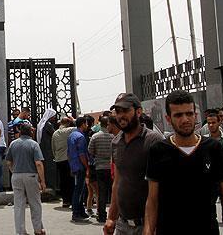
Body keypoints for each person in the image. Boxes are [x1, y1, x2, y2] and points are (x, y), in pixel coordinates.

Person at [143, 90, 223, 235]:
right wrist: (148, 231)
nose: (185, 119)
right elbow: (152, 200)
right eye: (178, 115)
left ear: (195, 115)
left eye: (189, 114)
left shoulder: (213, 148)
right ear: (168, 118)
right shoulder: (158, 150)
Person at [104, 93, 165, 235]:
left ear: (138, 112)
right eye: (118, 111)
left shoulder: (153, 141)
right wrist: (111, 217)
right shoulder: (116, 142)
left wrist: (150, 227)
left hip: (147, 225)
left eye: (125, 111)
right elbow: (117, 182)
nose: (121, 116)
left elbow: (161, 187)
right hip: (123, 224)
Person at [6, 122, 46, 235]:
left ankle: (20, 231)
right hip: (31, 175)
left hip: (16, 176)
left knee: (19, 205)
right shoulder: (34, 144)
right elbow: (38, 164)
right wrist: (42, 181)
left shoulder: (13, 144)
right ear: (31, 132)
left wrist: (14, 171)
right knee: (35, 203)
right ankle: (38, 229)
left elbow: (8, 162)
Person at [88, 116, 115, 222]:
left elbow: (90, 151)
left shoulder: (95, 137)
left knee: (101, 192)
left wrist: (98, 154)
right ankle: (114, 214)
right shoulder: (113, 137)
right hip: (111, 167)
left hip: (99, 167)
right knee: (113, 191)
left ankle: (102, 215)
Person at [67, 116, 90, 222]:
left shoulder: (72, 135)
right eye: (86, 123)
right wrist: (87, 166)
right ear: (83, 124)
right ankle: (76, 213)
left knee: (79, 189)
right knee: (79, 191)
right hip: (80, 166)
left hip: (74, 165)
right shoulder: (80, 137)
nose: (87, 126)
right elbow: (81, 154)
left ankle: (81, 211)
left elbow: (68, 152)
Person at [52, 117, 75, 208]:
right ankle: (72, 200)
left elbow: (53, 147)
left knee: (63, 180)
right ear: (68, 123)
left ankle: (65, 200)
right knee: (71, 180)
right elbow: (80, 126)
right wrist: (73, 120)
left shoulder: (55, 133)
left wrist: (56, 156)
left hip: (59, 159)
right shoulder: (70, 130)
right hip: (68, 159)